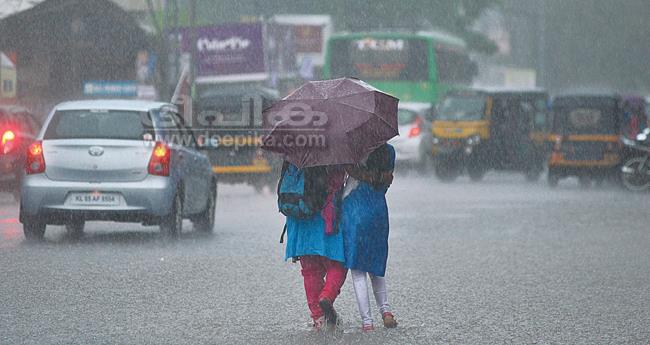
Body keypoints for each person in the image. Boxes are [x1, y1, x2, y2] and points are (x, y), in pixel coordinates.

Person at [283, 165, 348, 331]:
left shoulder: (294, 153)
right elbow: (337, 184)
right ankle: (327, 295)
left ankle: (318, 318)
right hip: (326, 221)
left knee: (310, 272)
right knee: (337, 264)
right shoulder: (332, 154)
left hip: (300, 220)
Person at [342, 143, 398, 332]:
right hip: (378, 210)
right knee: (376, 266)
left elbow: (348, 174)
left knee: (358, 271)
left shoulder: (351, 150)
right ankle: (386, 311)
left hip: (354, 209)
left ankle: (367, 322)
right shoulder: (388, 151)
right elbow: (386, 182)